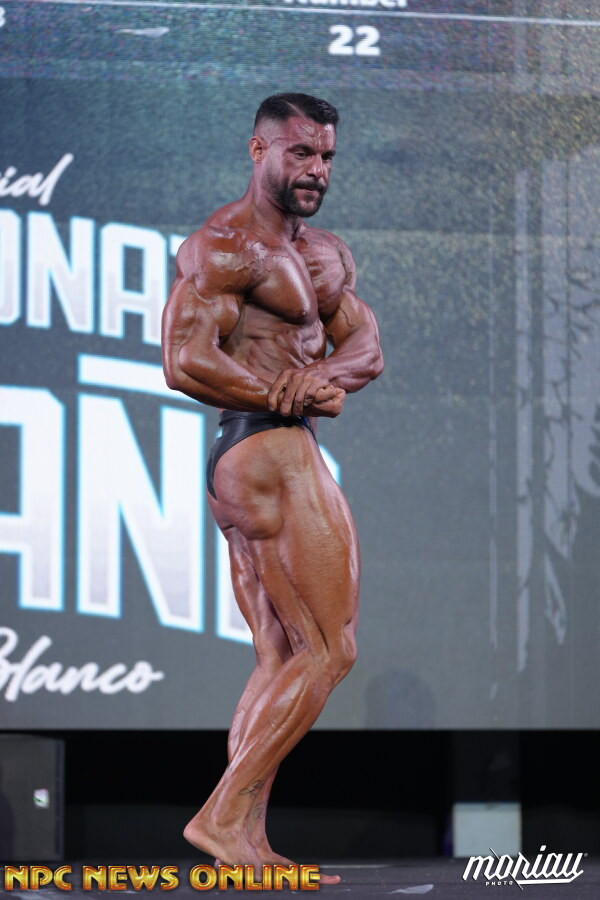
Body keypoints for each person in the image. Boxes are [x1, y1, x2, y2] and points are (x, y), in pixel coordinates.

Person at [161, 92, 384, 881]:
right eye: (300, 152)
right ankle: (222, 815)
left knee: (282, 653)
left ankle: (246, 840)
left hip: (264, 449)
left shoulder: (321, 254)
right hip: (267, 449)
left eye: (325, 156)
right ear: (259, 151)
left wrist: (321, 377)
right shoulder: (225, 246)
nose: (316, 169)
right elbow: (183, 361)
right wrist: (284, 394)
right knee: (330, 649)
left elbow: (366, 347)